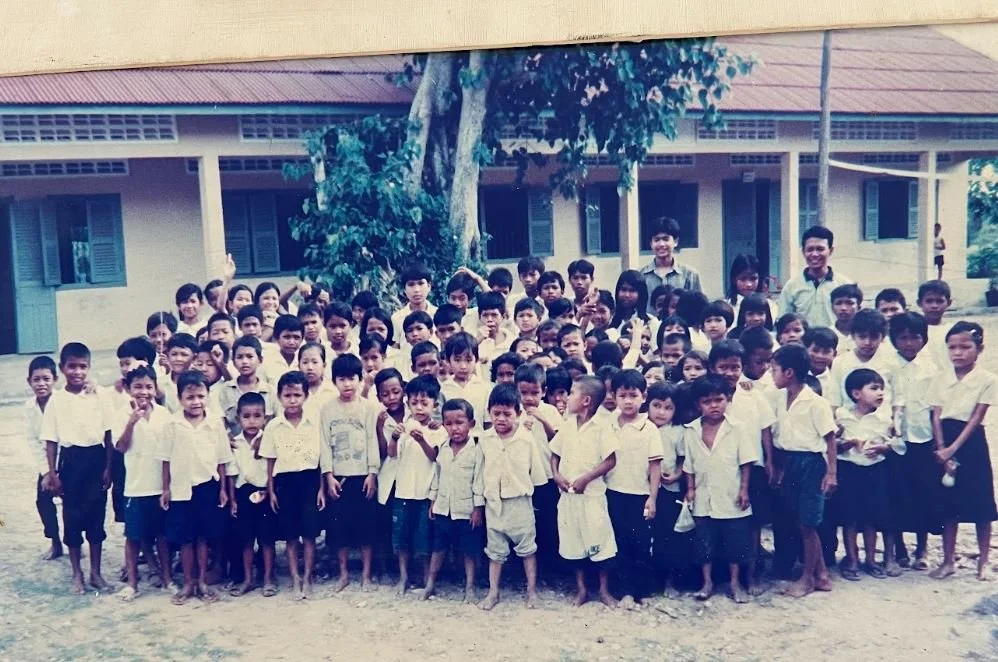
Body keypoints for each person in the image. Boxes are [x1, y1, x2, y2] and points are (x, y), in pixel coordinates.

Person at [40, 342, 115, 595]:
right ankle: (77, 573)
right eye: (72, 366)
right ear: (62, 368)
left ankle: (95, 572)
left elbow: (108, 434)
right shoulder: (56, 400)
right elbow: (50, 440)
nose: (77, 372)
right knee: (71, 518)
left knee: (96, 517)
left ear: (89, 367)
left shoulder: (99, 395)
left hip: (96, 460)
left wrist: (108, 467)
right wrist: (53, 473)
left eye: (83, 366)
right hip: (71, 462)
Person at [929, 321, 998, 581]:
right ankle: (948, 561)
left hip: (971, 441)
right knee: (949, 504)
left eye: (965, 347)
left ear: (979, 349)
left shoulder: (987, 379)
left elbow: (976, 417)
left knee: (981, 503)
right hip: (944, 439)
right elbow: (936, 415)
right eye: (952, 347)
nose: (958, 352)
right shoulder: (940, 378)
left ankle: (984, 562)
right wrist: (941, 449)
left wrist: (953, 449)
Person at [156, 370, 233, 605]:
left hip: (207, 487)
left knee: (203, 537)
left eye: (201, 396)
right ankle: (188, 583)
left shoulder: (215, 423)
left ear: (208, 396)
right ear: (180, 399)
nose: (196, 402)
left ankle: (202, 582)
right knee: (185, 539)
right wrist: (166, 489)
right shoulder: (172, 424)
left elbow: (222, 459)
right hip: (181, 489)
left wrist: (222, 489)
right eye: (190, 397)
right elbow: (165, 459)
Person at [682, 374, 760, 604]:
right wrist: (690, 489)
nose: (714, 406)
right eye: (707, 401)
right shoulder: (691, 430)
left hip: (731, 492)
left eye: (719, 400)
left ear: (728, 400)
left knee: (734, 542)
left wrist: (744, 489)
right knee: (704, 542)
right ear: (698, 404)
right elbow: (689, 464)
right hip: (703, 494)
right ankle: (707, 582)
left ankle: (735, 583)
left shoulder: (737, 428)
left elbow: (746, 462)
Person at [769, 343, 838, 597]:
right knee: (800, 522)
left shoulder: (815, 403)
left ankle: (807, 578)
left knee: (808, 522)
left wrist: (832, 473)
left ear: (789, 373)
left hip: (811, 464)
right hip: (789, 462)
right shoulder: (780, 398)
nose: (771, 374)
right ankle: (821, 574)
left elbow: (830, 438)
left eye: (774, 370)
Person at [260, 371, 331, 600]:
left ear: (306, 396)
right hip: (285, 483)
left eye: (297, 395)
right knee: (290, 536)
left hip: (310, 481)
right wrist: (271, 491)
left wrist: (321, 489)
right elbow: (270, 461)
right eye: (287, 395)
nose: (292, 400)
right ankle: (295, 579)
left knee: (309, 534)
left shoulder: (314, 423)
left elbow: (321, 459)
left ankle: (308, 577)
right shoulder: (273, 427)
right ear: (279, 397)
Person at [478, 384, 548, 610]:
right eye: (496, 413)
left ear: (518, 413)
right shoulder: (485, 439)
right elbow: (479, 473)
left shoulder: (526, 439)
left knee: (527, 549)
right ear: (489, 412)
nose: (501, 419)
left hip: (520, 502)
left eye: (507, 414)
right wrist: (479, 503)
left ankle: (532, 591)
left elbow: (537, 474)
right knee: (495, 551)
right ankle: (493, 592)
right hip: (493, 504)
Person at [551, 376, 619, 608]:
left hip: (592, 496)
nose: (566, 398)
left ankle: (603, 590)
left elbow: (610, 460)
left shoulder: (602, 426)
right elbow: (555, 453)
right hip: (568, 496)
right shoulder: (568, 424)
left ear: (586, 400)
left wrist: (586, 478)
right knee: (573, 542)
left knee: (599, 541)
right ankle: (581, 590)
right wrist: (556, 475)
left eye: (571, 393)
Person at [834, 368, 903, 580]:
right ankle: (852, 559)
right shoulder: (842, 416)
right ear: (856, 394)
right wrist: (848, 443)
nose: (880, 393)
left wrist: (884, 448)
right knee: (850, 517)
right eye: (874, 388)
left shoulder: (884, 418)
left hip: (875, 471)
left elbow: (898, 444)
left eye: (881, 388)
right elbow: (832, 443)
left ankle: (871, 560)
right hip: (849, 470)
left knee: (871, 517)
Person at [321, 354, 382, 593]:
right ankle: (344, 575)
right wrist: (328, 476)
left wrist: (372, 473)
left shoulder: (368, 408)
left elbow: (372, 441)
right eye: (342, 379)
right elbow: (324, 444)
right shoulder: (327, 409)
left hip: (363, 476)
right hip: (339, 478)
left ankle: (366, 575)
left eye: (352, 378)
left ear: (360, 379)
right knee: (340, 530)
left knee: (366, 528)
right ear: (334, 381)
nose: (347, 384)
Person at [604, 369, 662, 608]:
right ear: (614, 397)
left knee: (641, 544)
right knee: (620, 543)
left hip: (640, 494)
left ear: (644, 397)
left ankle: (643, 590)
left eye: (633, 395)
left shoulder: (649, 428)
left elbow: (655, 466)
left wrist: (652, 498)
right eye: (623, 395)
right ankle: (625, 591)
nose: (628, 401)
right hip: (613, 492)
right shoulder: (608, 424)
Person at [889, 312, 942, 571]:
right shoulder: (887, 366)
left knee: (923, 493)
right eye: (903, 338)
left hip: (923, 438)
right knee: (896, 494)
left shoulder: (931, 369)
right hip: (895, 440)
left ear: (924, 339)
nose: (909, 343)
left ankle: (922, 548)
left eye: (915, 337)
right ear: (894, 339)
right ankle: (899, 547)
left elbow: (936, 407)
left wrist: (938, 440)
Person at [114, 365, 173, 601]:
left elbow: (169, 450)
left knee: (162, 535)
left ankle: (168, 579)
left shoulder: (164, 415)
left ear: (156, 389)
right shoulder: (121, 413)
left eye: (149, 386)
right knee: (134, 536)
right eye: (138, 386)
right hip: (136, 486)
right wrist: (131, 422)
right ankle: (132, 584)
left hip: (159, 485)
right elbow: (120, 447)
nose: (144, 392)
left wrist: (167, 487)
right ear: (129, 389)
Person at [424, 398, 485, 602]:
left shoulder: (476, 450)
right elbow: (437, 475)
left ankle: (470, 587)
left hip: (466, 509)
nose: (454, 428)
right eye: (449, 423)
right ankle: (430, 584)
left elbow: (478, 480)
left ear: (471, 424)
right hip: (443, 507)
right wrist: (433, 501)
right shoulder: (443, 447)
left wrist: (477, 508)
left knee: (469, 550)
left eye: (459, 422)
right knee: (438, 548)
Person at [390, 375, 446, 595]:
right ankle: (404, 577)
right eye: (414, 403)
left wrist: (422, 439)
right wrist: (394, 438)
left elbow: (434, 457)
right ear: (408, 403)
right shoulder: (404, 427)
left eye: (424, 403)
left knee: (423, 538)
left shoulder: (438, 430)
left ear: (435, 404)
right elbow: (392, 454)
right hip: (404, 490)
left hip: (424, 492)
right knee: (401, 537)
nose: (419, 408)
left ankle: (426, 579)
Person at [227, 392, 279, 598]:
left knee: (266, 539)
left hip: (265, 492)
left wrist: (271, 492)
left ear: (265, 418)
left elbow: (273, 469)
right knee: (246, 540)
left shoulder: (268, 440)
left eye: (257, 416)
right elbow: (232, 474)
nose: (252, 421)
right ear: (238, 418)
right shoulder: (235, 443)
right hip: (243, 494)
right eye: (246, 416)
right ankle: (248, 579)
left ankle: (268, 578)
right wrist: (232, 500)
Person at [646, 381, 689, 598]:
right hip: (643, 488)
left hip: (669, 488)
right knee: (646, 534)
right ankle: (649, 579)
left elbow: (682, 458)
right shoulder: (642, 427)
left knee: (667, 535)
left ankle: (669, 581)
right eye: (657, 406)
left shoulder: (678, 432)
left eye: (668, 408)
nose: (661, 412)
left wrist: (676, 475)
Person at [778, 226, 853, 328]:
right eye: (810, 249)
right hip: (804, 339)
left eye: (820, 249)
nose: (814, 254)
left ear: (830, 251)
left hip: (836, 338)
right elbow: (783, 322)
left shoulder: (844, 284)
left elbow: (854, 321)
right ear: (803, 252)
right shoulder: (791, 286)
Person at [25, 356, 62, 561]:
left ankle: (75, 541)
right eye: (36, 379)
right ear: (29, 381)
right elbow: (33, 440)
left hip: (66, 460)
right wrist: (47, 472)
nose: (41, 384)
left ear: (55, 379)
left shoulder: (63, 401)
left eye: (46, 379)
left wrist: (57, 471)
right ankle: (55, 542)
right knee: (43, 502)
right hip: (46, 465)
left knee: (73, 505)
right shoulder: (29, 407)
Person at [212, 336, 276, 437]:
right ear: (233, 361)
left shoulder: (271, 392)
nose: (244, 361)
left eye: (250, 356)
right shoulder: (224, 391)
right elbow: (219, 423)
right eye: (240, 357)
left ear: (260, 360)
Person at [640, 216, 703, 310]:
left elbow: (700, 306)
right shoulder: (642, 275)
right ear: (651, 244)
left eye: (666, 239)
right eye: (656, 240)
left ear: (675, 242)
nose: (661, 244)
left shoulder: (690, 274)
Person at [441, 333, 490, 435]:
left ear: (476, 359)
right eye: (457, 360)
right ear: (448, 360)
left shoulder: (485, 388)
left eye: (468, 360)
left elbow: (488, 423)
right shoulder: (443, 389)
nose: (463, 366)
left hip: (478, 439)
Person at [391, 262, 438, 341]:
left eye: (421, 283)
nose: (416, 290)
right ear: (404, 289)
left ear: (429, 286)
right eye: (411, 284)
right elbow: (395, 347)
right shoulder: (396, 319)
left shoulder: (438, 315)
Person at [917, 279, 954, 372]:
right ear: (919, 303)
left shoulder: (953, 330)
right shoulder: (914, 329)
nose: (934, 306)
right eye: (929, 301)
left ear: (949, 303)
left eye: (939, 301)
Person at [802, 327, 838, 397]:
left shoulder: (835, 381)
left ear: (834, 354)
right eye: (815, 350)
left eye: (826, 352)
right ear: (804, 350)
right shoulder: (794, 377)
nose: (820, 356)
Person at [830, 284, 863, 355]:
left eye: (849, 303)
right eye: (838, 303)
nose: (843, 308)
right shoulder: (828, 335)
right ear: (832, 308)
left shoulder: (868, 335)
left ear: (859, 307)